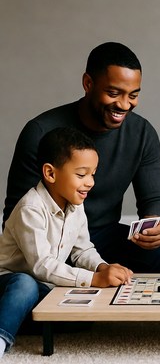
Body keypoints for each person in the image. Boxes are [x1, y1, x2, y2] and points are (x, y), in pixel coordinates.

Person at [2, 42, 160, 273]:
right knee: (35, 285)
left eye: (133, 95)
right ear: (88, 83)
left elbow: (154, 198)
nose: (124, 104)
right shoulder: (40, 131)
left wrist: (154, 223)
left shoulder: (142, 133)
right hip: (47, 240)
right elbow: (17, 211)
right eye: (113, 93)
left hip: (103, 235)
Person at [0, 128, 133, 357]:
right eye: (81, 175)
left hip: (44, 285)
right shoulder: (30, 208)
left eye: (93, 174)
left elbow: (83, 250)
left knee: (80, 319)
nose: (90, 182)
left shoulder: (76, 205)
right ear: (51, 174)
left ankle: (17, 318)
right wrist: (94, 279)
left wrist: (103, 267)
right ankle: (2, 338)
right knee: (25, 284)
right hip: (10, 284)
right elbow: (41, 265)